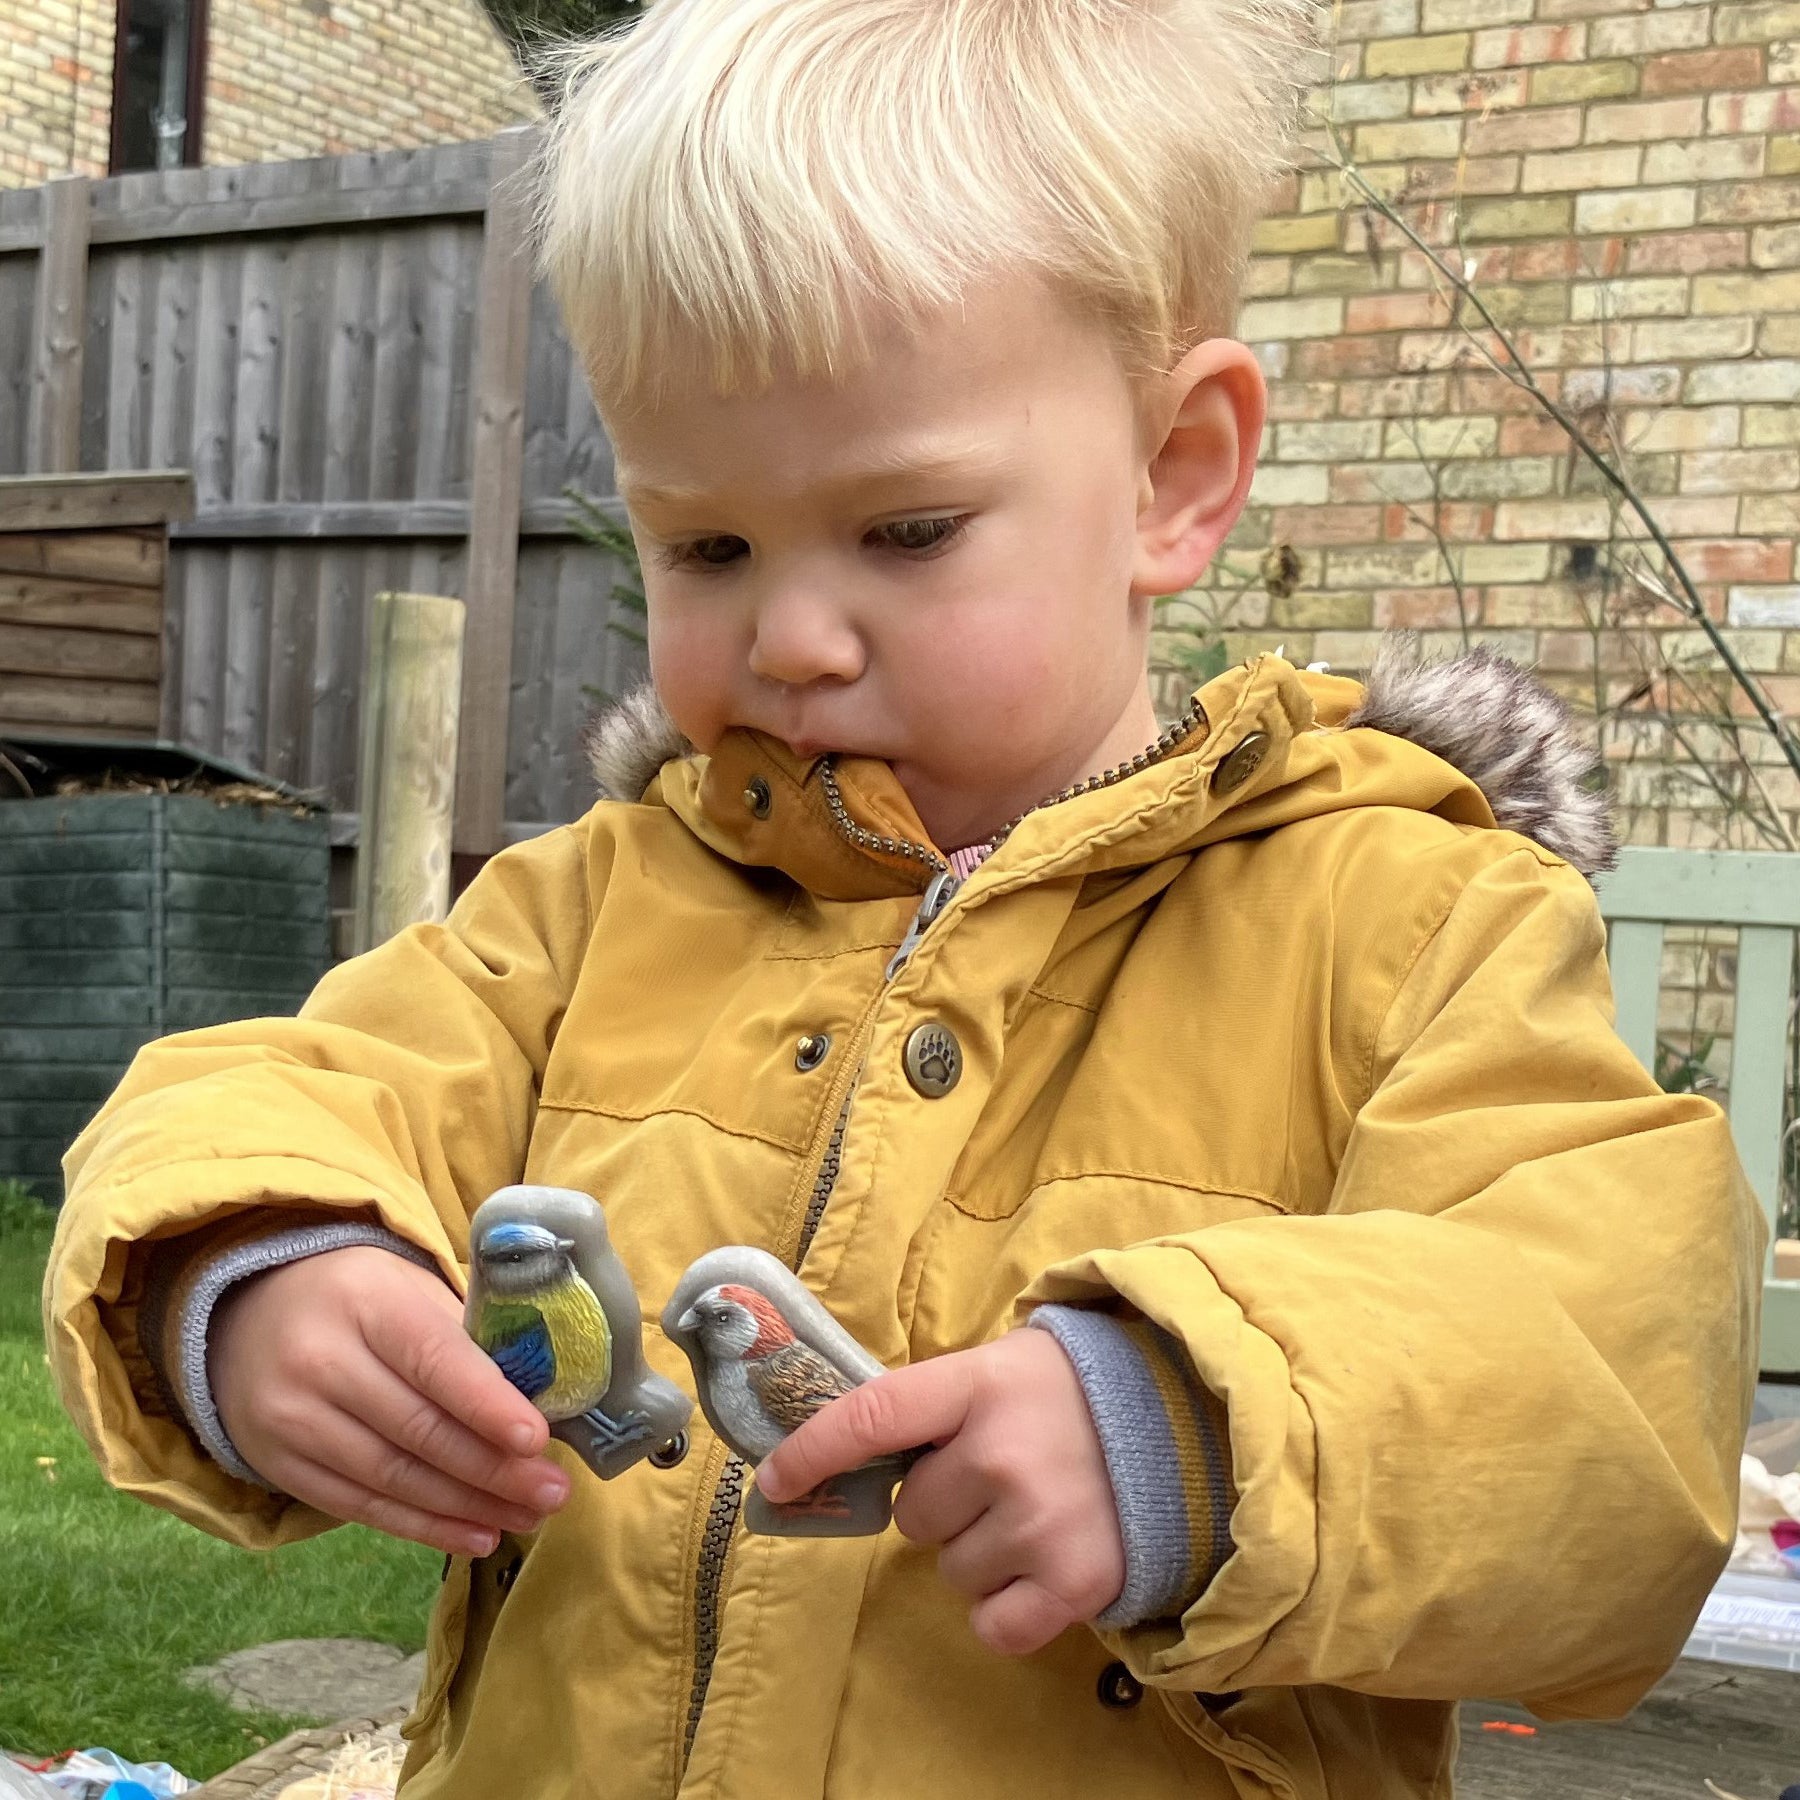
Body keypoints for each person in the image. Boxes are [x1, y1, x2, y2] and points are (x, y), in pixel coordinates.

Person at [45, 1, 1763, 1794]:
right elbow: (278, 1093)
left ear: (1176, 477)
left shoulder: (1404, 926)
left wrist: (1195, 1427)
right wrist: (255, 1272)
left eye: (909, 531)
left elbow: (1612, 1382)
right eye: (707, 544)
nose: (790, 635)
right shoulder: (594, 909)